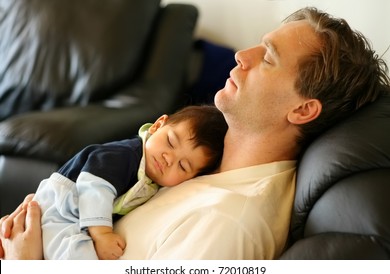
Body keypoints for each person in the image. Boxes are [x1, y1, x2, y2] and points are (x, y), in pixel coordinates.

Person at [1, 7, 389, 260]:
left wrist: (26, 266)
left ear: (302, 109)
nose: (242, 55)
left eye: (268, 57)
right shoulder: (207, 167)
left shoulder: (228, 222)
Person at [2, 105, 228, 260]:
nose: (169, 158)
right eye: (170, 141)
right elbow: (95, 187)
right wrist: (101, 234)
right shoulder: (127, 154)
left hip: (73, 215)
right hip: (61, 206)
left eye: (183, 166)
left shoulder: (154, 181)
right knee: (76, 256)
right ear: (158, 125)